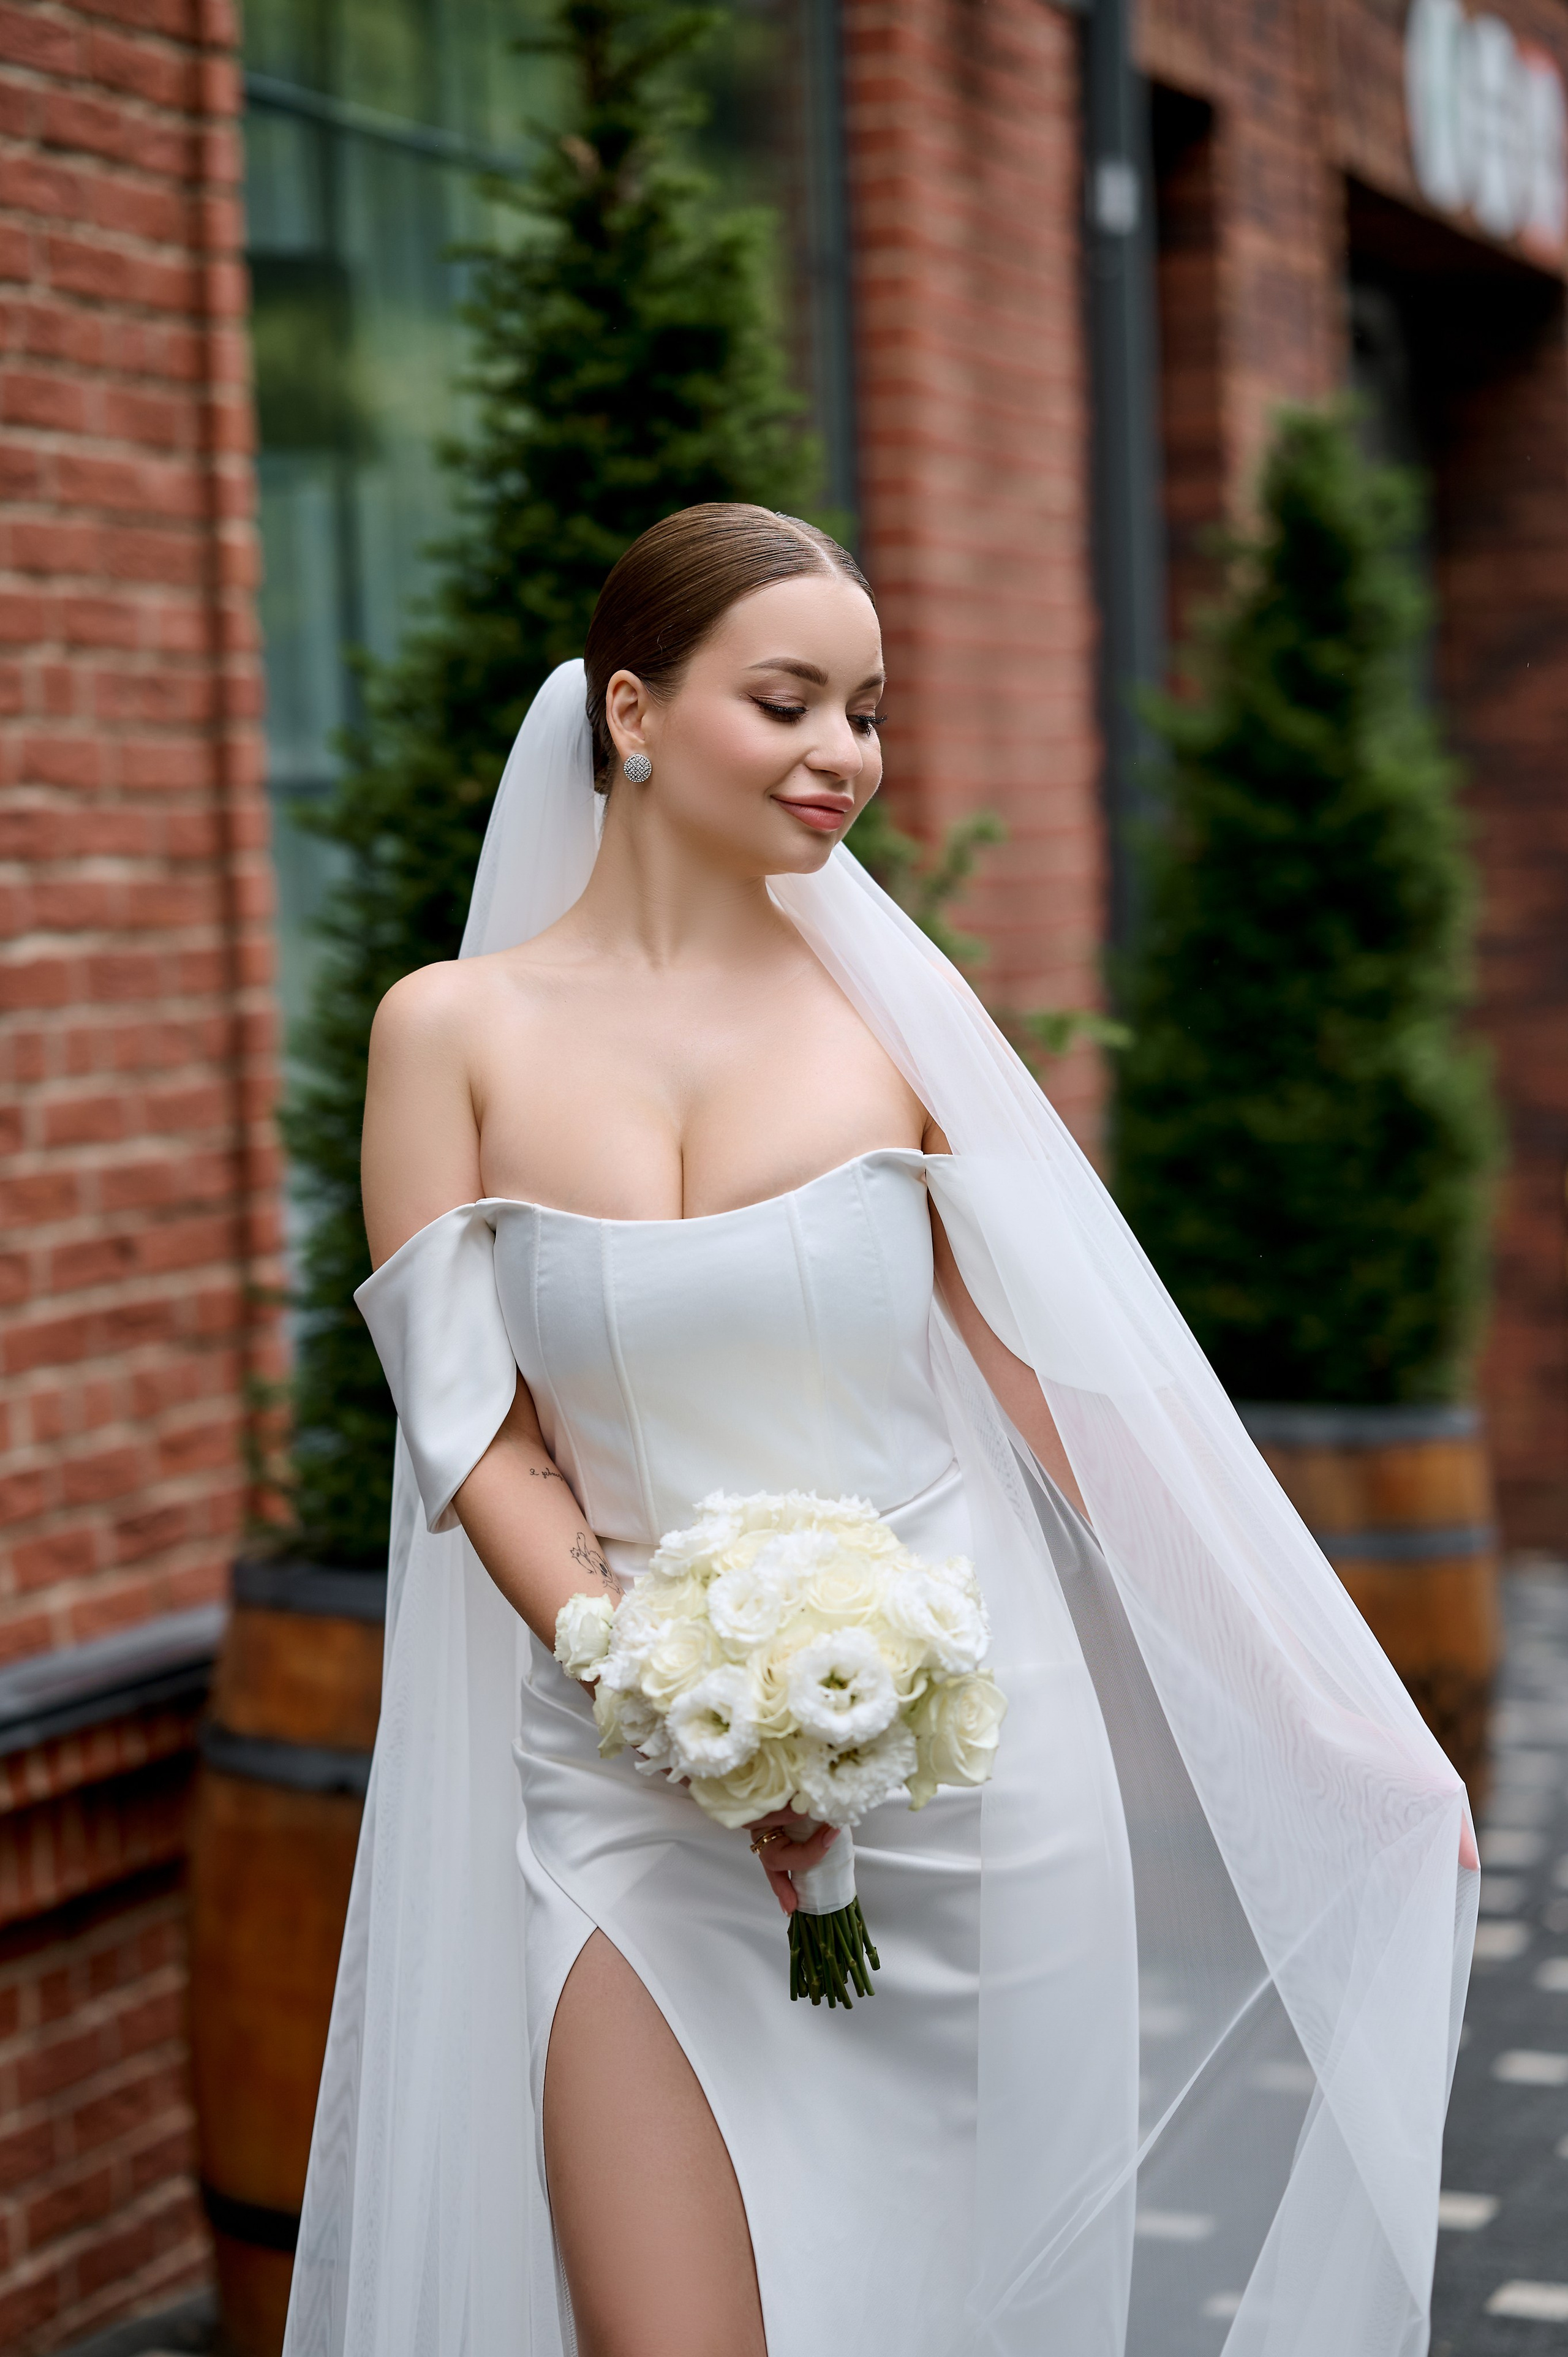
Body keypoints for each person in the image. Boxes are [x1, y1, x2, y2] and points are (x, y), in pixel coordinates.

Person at [284, 506, 1476, 2357]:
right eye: (790, 703)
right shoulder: (448, 1034)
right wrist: (653, 1689)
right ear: (634, 713)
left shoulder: (894, 1023)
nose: (846, 757)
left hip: (958, 1785)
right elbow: (481, 1438)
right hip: (624, 1780)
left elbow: (1076, 1408)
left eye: (869, 710)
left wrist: (1332, 1725)